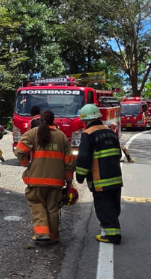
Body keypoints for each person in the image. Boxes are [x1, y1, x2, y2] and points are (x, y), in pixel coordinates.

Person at [14, 110, 75, 245]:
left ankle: (42, 233)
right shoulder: (61, 136)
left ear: (41, 120)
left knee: (36, 204)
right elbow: (69, 161)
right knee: (53, 208)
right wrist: (69, 181)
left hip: (36, 180)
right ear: (54, 120)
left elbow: (19, 151)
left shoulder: (32, 133)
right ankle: (53, 236)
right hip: (57, 180)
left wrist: (27, 164)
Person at [75, 104, 124, 245]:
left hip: (100, 179)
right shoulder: (110, 132)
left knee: (104, 206)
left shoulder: (88, 134)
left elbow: (84, 157)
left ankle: (112, 235)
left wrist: (80, 176)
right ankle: (110, 228)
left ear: (85, 120)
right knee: (113, 206)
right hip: (116, 178)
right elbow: (118, 154)